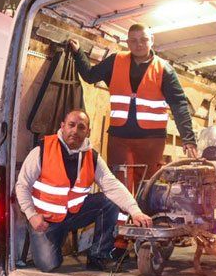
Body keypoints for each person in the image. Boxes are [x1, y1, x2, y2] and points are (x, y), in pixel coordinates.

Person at [16, 109, 153, 272]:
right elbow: (22, 185)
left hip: (75, 214)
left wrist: (135, 211)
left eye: (81, 127)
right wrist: (32, 215)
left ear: (88, 131)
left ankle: (98, 256)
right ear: (63, 126)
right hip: (46, 220)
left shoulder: (92, 157)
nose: (75, 131)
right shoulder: (42, 150)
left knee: (108, 202)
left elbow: (112, 185)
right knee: (49, 264)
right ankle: (55, 241)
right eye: (71, 125)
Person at [67, 23, 198, 192]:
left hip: (151, 142)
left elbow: (178, 104)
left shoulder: (164, 69)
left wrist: (188, 139)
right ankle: (122, 211)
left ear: (152, 40)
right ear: (127, 43)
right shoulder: (115, 61)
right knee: (119, 187)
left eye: (144, 39)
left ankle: (144, 210)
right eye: (134, 41)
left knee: (147, 189)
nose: (139, 44)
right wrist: (78, 53)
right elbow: (90, 76)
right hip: (119, 140)